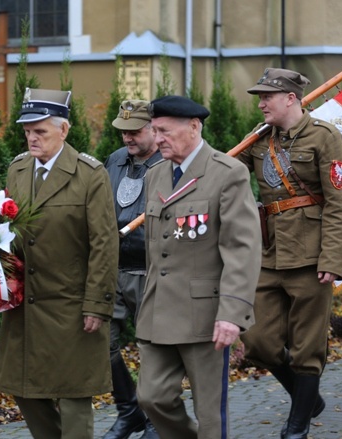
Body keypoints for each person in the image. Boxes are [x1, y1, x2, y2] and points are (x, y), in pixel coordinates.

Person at [0, 88, 119, 439]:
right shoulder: (18, 170)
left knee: (75, 394)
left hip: (71, 305)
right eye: (27, 131)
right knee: (23, 388)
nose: (32, 138)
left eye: (40, 131)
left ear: (63, 131)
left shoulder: (89, 175)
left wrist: (97, 304)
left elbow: (104, 245)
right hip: (26, 306)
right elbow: (10, 231)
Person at [135, 95, 262, 439]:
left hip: (206, 315)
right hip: (159, 311)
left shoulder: (227, 173)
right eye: (154, 130)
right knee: (151, 397)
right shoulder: (156, 174)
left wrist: (232, 313)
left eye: (164, 130)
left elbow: (242, 248)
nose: (156, 138)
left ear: (193, 126)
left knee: (210, 413)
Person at [238, 68, 342, 439]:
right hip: (269, 254)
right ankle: (309, 398)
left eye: (267, 97)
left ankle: (297, 423)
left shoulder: (325, 137)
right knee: (257, 341)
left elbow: (338, 203)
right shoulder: (257, 140)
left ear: (290, 98)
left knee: (307, 345)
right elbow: (230, 177)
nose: (260, 103)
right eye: (259, 97)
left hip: (311, 254)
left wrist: (332, 261)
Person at [102, 100, 161, 439]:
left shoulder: (170, 164)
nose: (127, 137)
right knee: (100, 344)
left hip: (152, 270)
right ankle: (129, 411)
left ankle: (156, 420)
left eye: (135, 131)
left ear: (155, 129)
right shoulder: (114, 160)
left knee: (152, 349)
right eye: (123, 131)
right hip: (112, 268)